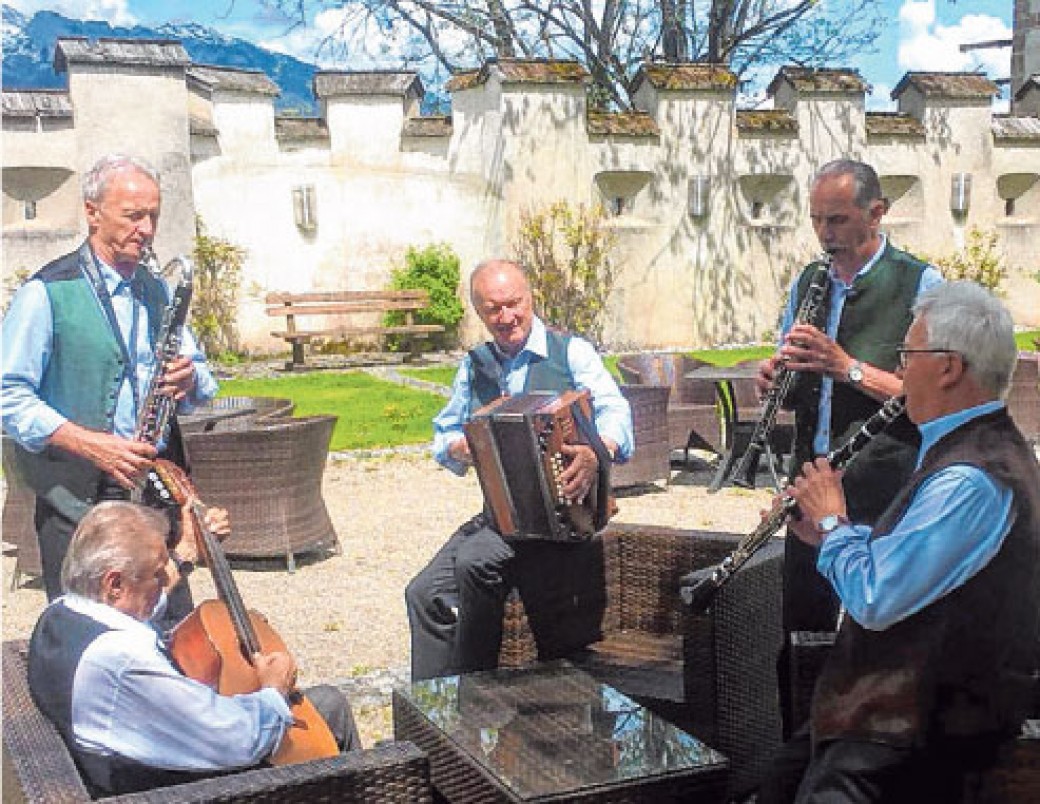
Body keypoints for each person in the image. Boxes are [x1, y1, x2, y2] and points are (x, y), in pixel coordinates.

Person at [757, 281, 1040, 803]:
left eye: (908, 354)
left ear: (949, 368)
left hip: (913, 738)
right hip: (878, 716)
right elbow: (915, 563)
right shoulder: (962, 453)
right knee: (769, 784)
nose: (902, 369)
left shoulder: (972, 478)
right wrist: (828, 535)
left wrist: (833, 524)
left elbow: (877, 598)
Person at [756, 159, 945, 735]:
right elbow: (796, 378)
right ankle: (799, 754)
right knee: (801, 634)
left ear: (877, 213)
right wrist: (777, 377)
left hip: (883, 490)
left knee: (879, 639)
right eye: (817, 220)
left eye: (838, 219)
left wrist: (847, 367)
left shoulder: (921, 284)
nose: (825, 234)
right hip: (811, 485)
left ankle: (870, 762)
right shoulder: (809, 282)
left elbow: (931, 397)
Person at [1, 153, 218, 629]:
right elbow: (8, 395)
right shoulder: (47, 292)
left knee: (171, 623)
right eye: (133, 215)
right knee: (93, 637)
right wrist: (87, 443)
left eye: (153, 217)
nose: (146, 229)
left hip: (153, 494)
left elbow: (201, 375)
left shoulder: (156, 290)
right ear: (93, 212)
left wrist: (190, 379)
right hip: (80, 501)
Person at [27, 501, 360, 798]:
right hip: (181, 789)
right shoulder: (122, 659)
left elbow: (141, 603)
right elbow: (235, 739)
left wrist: (185, 555)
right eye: (157, 574)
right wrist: (273, 688)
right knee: (329, 708)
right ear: (115, 584)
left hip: (115, 771)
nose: (164, 581)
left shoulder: (63, 613)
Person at [405, 258, 634, 680]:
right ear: (480, 312)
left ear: (531, 298)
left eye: (514, 304)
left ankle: (474, 692)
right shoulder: (475, 367)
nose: (507, 317)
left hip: (566, 517)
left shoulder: (572, 353)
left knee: (475, 561)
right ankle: (431, 705)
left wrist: (594, 450)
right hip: (504, 515)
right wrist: (460, 447)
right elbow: (445, 431)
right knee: (422, 594)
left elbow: (616, 410)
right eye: (494, 309)